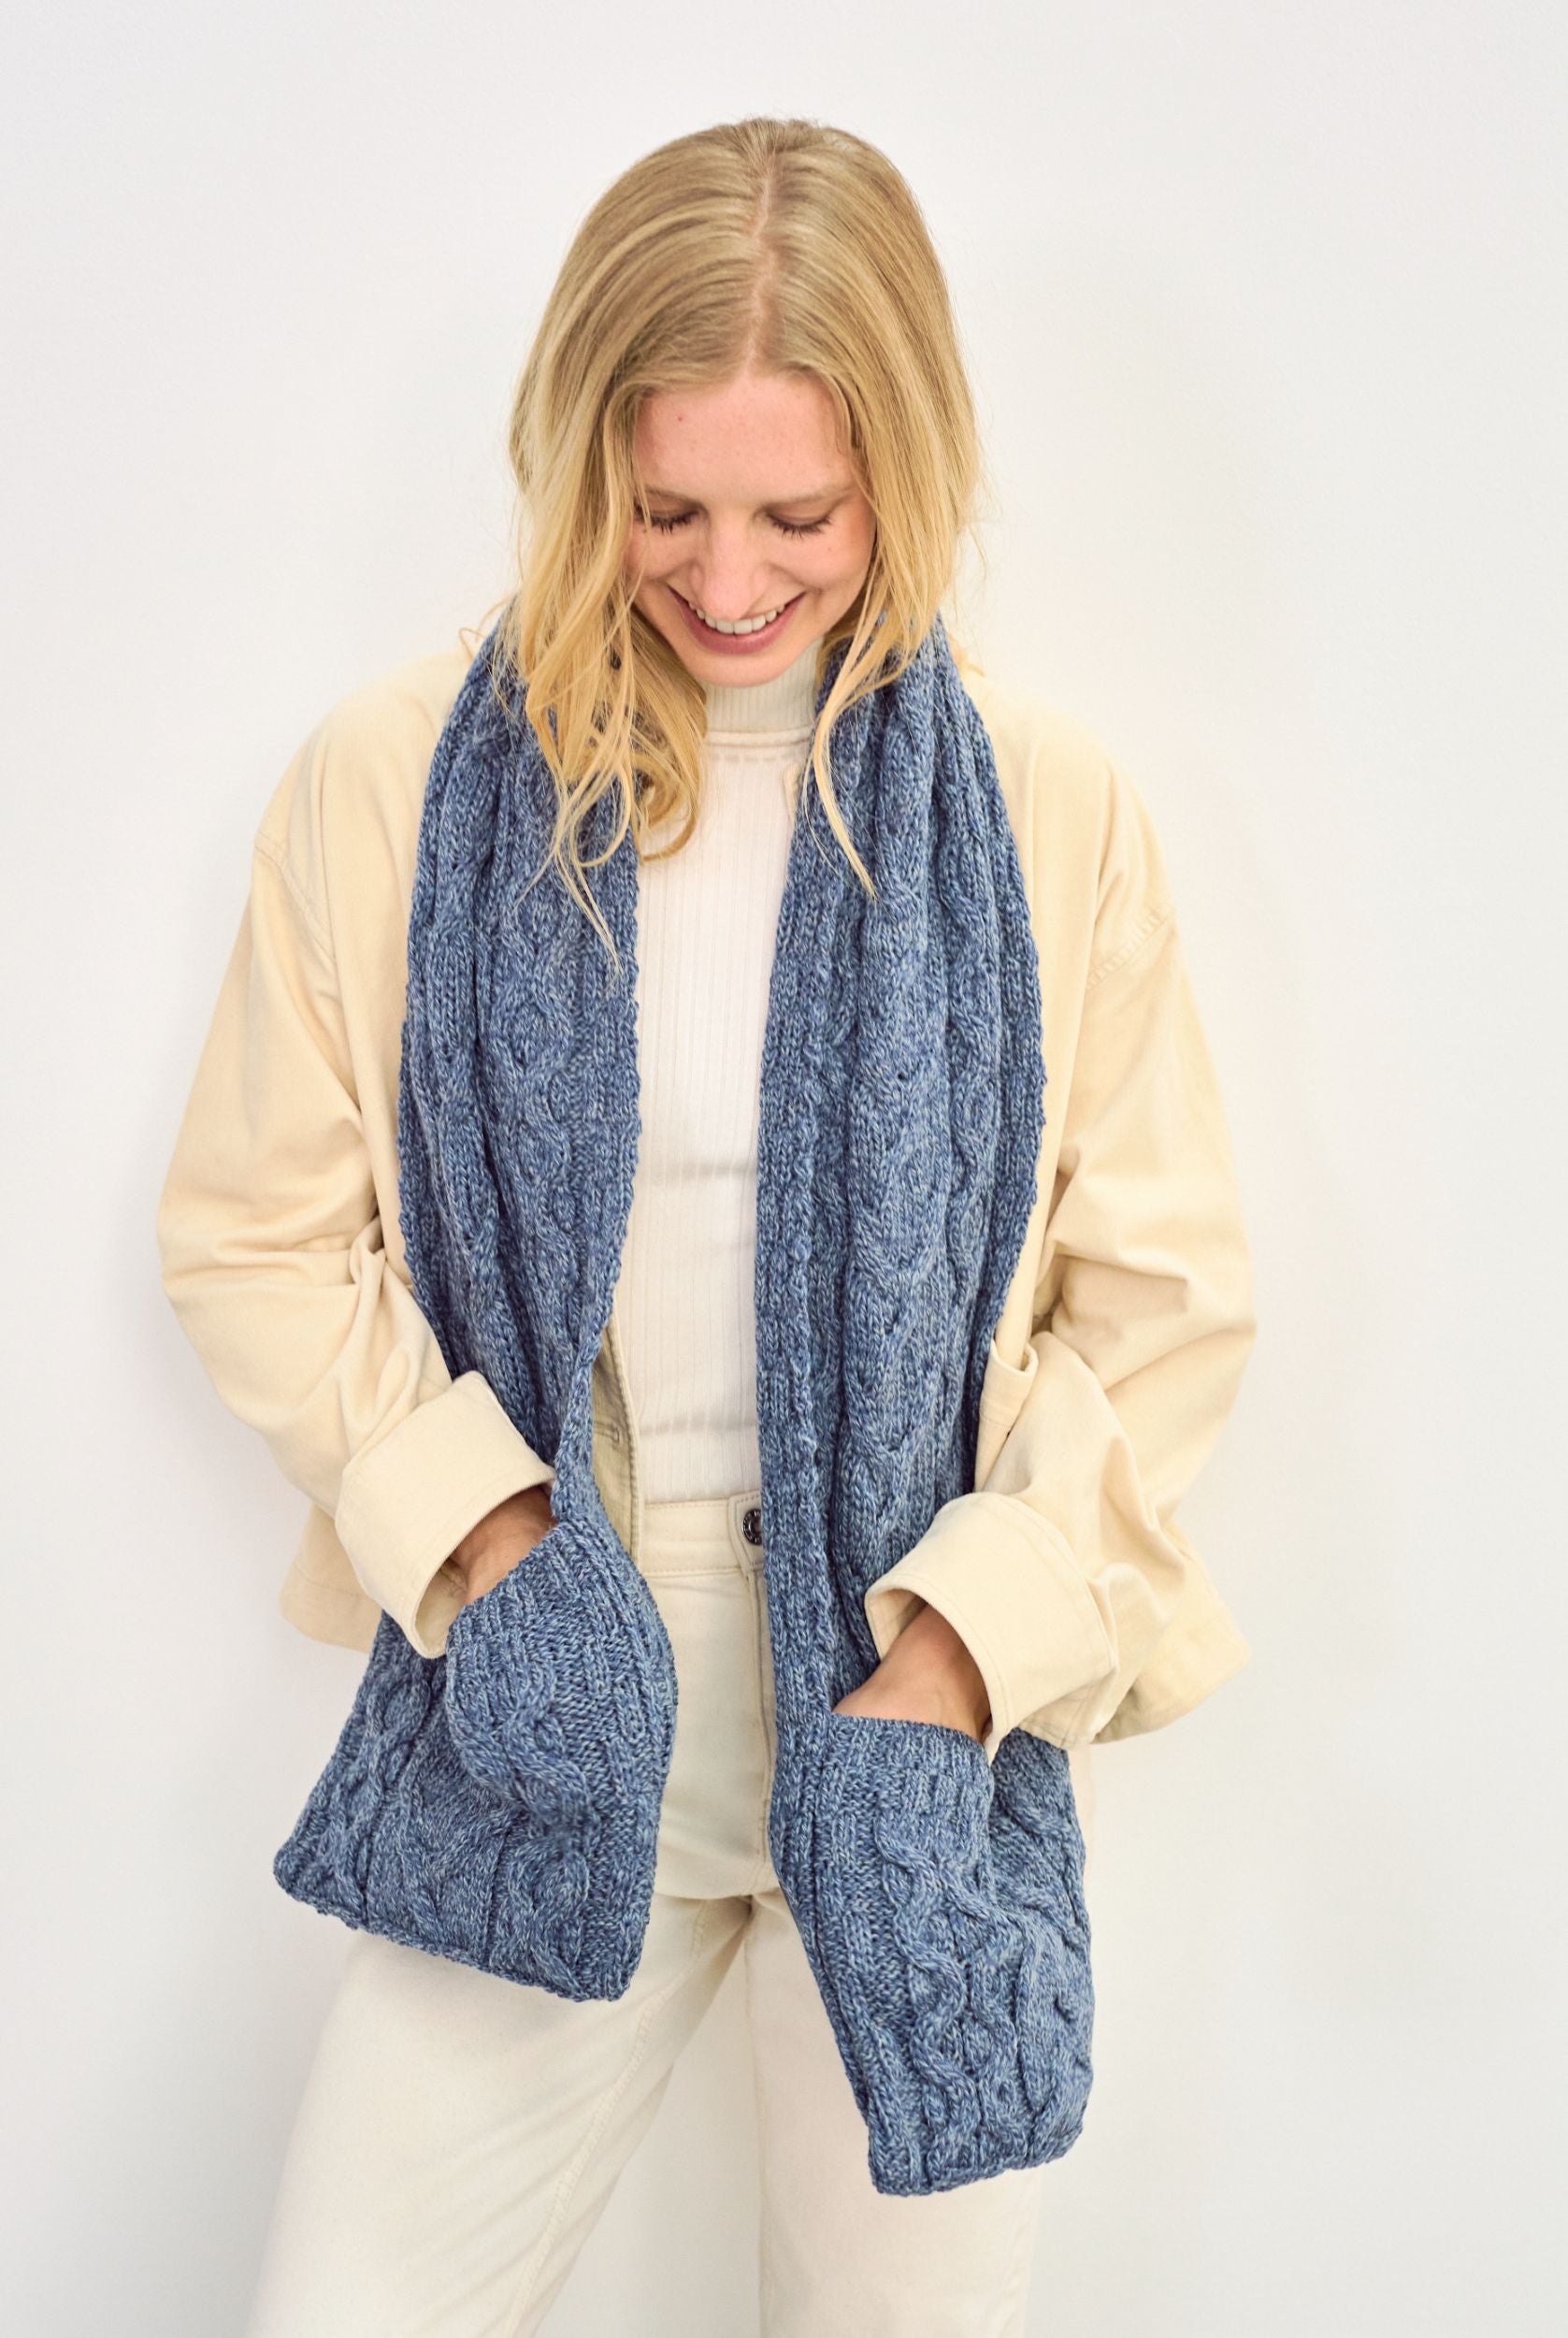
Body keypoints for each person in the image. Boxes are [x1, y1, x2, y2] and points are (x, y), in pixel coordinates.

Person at [156, 115, 1257, 2338]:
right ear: (579, 461)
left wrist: (947, 1675)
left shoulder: (1044, 810)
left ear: (903, 475)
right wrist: (487, 1551)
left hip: (913, 1702)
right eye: (665, 509)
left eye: (798, 515)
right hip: (543, 1680)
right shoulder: (391, 780)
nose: (728, 577)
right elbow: (255, 1232)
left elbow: (1157, 1306)